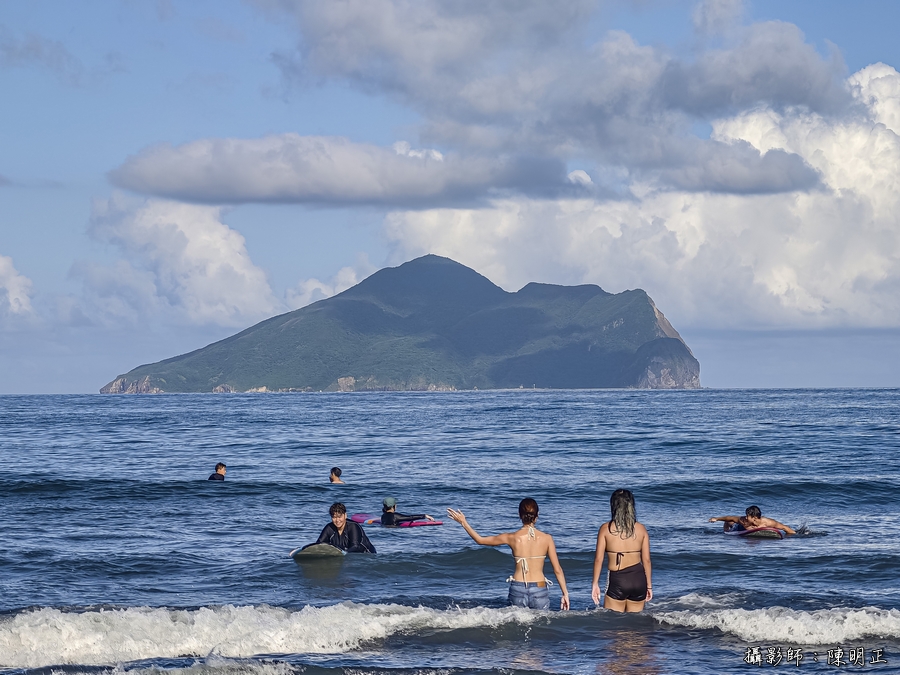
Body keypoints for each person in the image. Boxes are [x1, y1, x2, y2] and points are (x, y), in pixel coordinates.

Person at [447, 498, 570, 610]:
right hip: (539, 589)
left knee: (517, 627)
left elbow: (480, 540)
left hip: (518, 588)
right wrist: (565, 594)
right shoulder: (547, 539)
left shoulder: (511, 537)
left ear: (519, 515)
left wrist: (464, 523)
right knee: (541, 627)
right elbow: (557, 569)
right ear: (537, 516)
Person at [592, 489, 652, 613]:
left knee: (614, 625)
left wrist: (595, 584)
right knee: (635, 626)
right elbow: (646, 560)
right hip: (639, 579)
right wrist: (649, 586)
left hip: (617, 579)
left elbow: (599, 559)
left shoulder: (606, 528)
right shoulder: (641, 529)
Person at [709, 505, 796, 535]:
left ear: (754, 518)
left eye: (748, 516)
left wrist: (793, 536)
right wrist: (716, 519)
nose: (746, 517)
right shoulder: (743, 521)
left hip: (752, 530)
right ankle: (726, 531)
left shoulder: (768, 522)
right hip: (739, 529)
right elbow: (729, 518)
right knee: (730, 522)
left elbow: (785, 528)